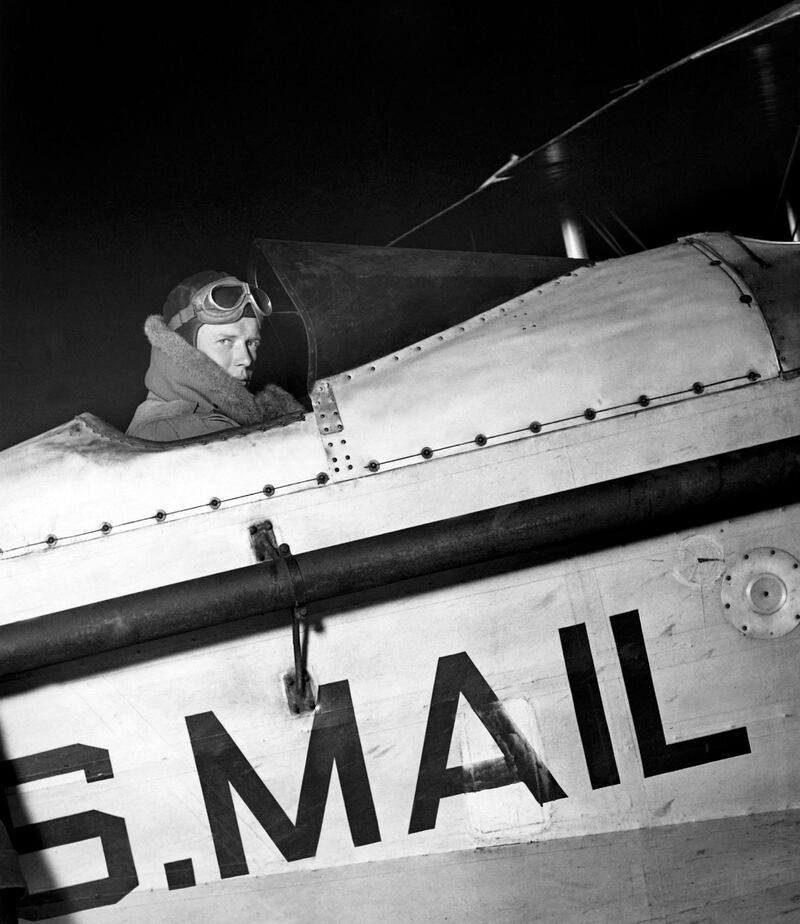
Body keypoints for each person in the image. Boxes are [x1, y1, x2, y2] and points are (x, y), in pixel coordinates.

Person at [127, 271, 302, 441]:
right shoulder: (172, 434)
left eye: (252, 343)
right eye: (225, 341)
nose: (246, 360)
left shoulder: (217, 418)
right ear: (184, 348)